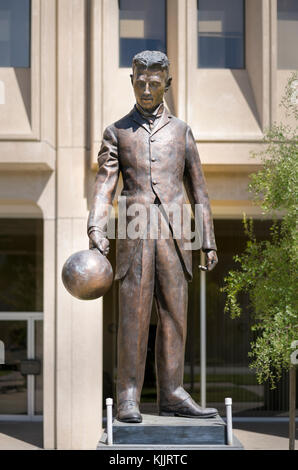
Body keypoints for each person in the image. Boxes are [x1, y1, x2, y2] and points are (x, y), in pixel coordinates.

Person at [88, 50, 218, 423]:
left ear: (167, 85)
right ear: (132, 81)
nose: (146, 89)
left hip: (176, 235)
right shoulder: (116, 132)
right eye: (140, 82)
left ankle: (173, 393)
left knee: (175, 316)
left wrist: (207, 239)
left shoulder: (182, 132)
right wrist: (96, 226)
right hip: (134, 231)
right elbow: (104, 186)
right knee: (133, 315)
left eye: (154, 83)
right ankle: (127, 395)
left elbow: (200, 191)